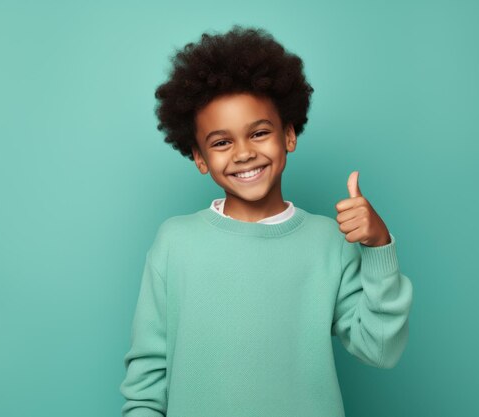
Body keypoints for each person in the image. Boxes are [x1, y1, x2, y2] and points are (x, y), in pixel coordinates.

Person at [119, 24, 413, 417]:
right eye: (222, 142)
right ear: (200, 158)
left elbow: (380, 349)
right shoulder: (176, 243)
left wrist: (378, 247)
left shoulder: (328, 241)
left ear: (288, 135)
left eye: (259, 133)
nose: (243, 153)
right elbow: (146, 381)